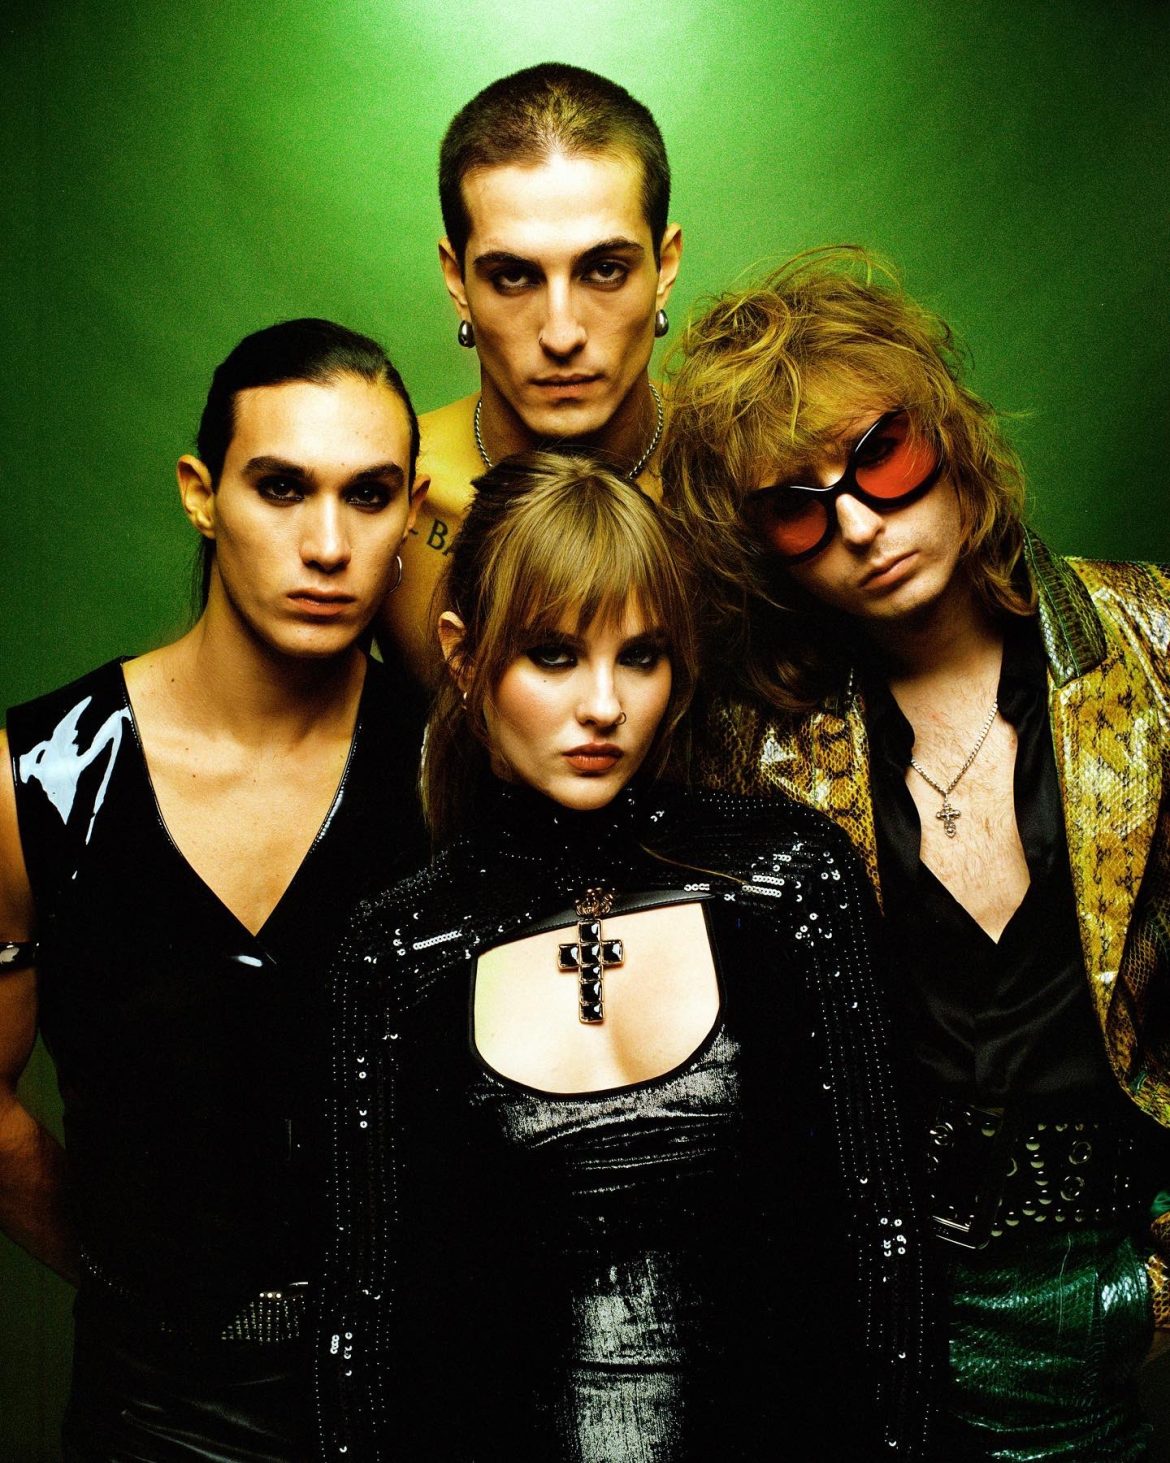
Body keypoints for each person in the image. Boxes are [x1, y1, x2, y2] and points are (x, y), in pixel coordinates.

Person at [317, 453, 933, 1461]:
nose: (604, 704)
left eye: (640, 655)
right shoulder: (398, 953)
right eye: (554, 654)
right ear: (463, 656)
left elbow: (885, 1262)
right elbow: (369, 1346)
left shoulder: (789, 883)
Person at [660, 245, 1170, 1461]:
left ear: (946, 430)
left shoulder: (1152, 644)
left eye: (880, 455)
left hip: (1120, 1278)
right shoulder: (752, 746)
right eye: (798, 504)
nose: (857, 521)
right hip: (877, 1307)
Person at [0, 318, 429, 1460]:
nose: (327, 544)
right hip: (151, 1407)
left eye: (369, 494)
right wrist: (136, 1281)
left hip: (421, 1397)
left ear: (411, 508)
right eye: (281, 487)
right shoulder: (36, 777)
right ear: (202, 493)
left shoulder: (457, 770)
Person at [381, 62, 683, 680]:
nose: (562, 335)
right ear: (457, 282)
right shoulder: (387, 498)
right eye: (513, 277)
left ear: (665, 267)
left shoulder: (738, 478)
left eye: (605, 271)